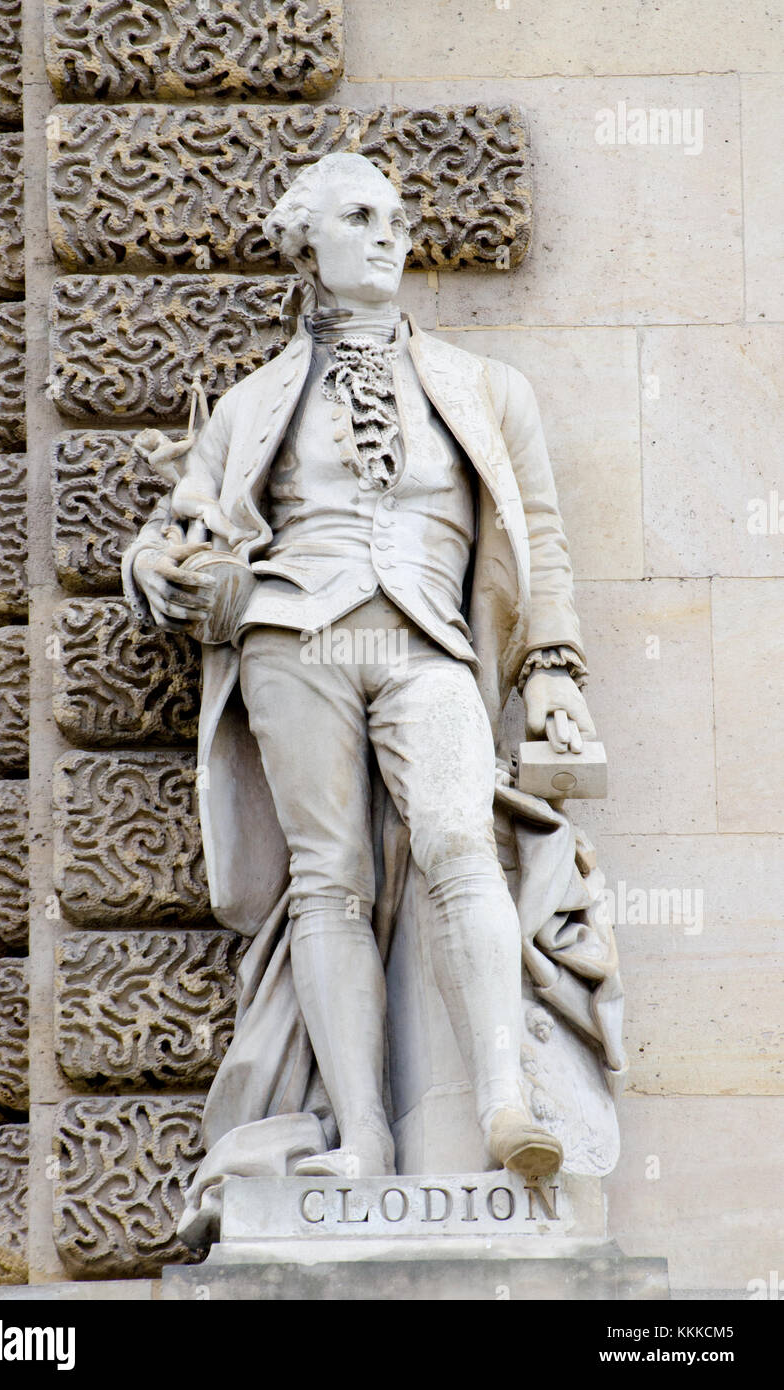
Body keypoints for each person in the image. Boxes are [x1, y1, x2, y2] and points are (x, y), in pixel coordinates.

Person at [123, 153, 621, 1247]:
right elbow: (173, 535)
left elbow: (538, 541)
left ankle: (504, 1098)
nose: (389, 235)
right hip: (291, 635)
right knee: (327, 880)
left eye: (399, 217)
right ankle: (360, 1136)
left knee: (455, 839)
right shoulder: (254, 403)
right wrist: (162, 569)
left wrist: (550, 669)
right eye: (361, 217)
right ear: (308, 245)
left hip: (427, 641)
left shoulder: (487, 388)